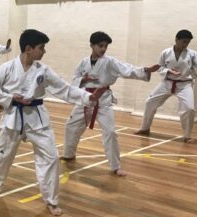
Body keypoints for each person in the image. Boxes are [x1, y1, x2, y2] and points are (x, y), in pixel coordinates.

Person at [0, 29, 105, 216]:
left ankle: (51, 200)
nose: (44, 51)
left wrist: (88, 97)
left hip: (37, 119)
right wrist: (10, 98)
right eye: (41, 48)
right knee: (3, 154)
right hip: (13, 116)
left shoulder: (43, 71)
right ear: (28, 49)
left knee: (51, 157)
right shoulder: (6, 68)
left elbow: (65, 90)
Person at [61, 31, 160, 176]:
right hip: (85, 98)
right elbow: (75, 78)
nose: (103, 49)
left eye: (105, 46)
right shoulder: (83, 62)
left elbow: (127, 70)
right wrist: (83, 79)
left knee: (111, 132)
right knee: (71, 126)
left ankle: (115, 166)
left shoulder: (110, 62)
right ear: (91, 45)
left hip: (103, 101)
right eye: (100, 46)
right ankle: (68, 154)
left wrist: (145, 70)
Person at [135, 29, 197, 143]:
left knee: (189, 109)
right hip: (167, 83)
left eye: (188, 42)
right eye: (184, 41)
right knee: (150, 102)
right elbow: (160, 67)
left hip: (184, 85)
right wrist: (168, 72)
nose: (185, 44)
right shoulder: (166, 52)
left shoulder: (192, 54)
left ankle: (187, 136)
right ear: (176, 40)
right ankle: (145, 128)